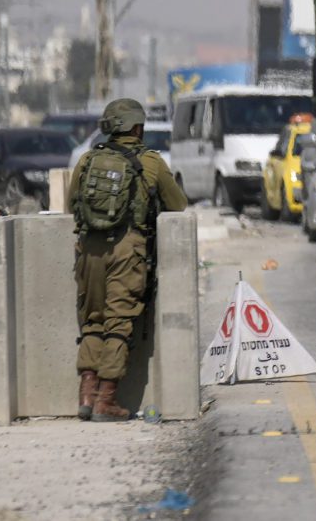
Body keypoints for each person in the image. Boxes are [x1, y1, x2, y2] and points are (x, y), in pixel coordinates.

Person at [69, 98, 187, 421]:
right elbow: (178, 205)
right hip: (128, 249)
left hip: (89, 251)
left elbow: (71, 205)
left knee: (92, 319)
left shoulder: (87, 160)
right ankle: (106, 400)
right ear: (137, 127)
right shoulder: (150, 162)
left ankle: (86, 394)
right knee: (119, 323)